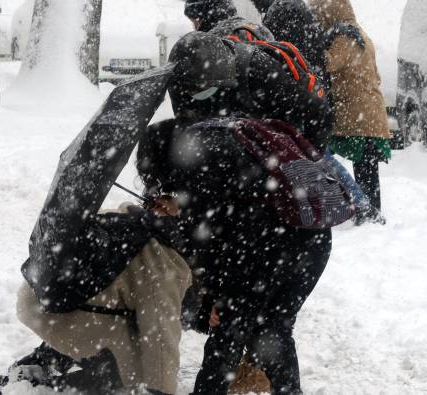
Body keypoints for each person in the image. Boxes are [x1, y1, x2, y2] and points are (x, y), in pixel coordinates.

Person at [135, 1, 334, 394]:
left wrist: (211, 293)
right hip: (310, 237)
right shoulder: (248, 120)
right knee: (272, 330)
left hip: (268, 242)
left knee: (228, 334)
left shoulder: (199, 152)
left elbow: (207, 238)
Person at [6, 199, 191, 395]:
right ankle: (46, 388)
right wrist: (163, 390)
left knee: (100, 307)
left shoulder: (122, 216)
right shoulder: (165, 258)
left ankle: (41, 360)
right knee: (133, 370)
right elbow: (160, 333)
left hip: (38, 300)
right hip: (71, 320)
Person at [249, 0, 380, 224]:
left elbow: (319, 63)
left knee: (324, 157)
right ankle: (355, 204)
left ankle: (361, 205)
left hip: (315, 104)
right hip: (319, 101)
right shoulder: (313, 27)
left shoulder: (293, 20)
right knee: (321, 157)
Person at [308, 0, 390, 224]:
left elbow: (328, 63)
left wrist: (312, 46)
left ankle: (369, 214)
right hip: (369, 113)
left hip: (361, 115)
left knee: (364, 166)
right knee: (366, 166)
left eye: (318, 16)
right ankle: (370, 211)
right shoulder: (359, 33)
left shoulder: (344, 37)